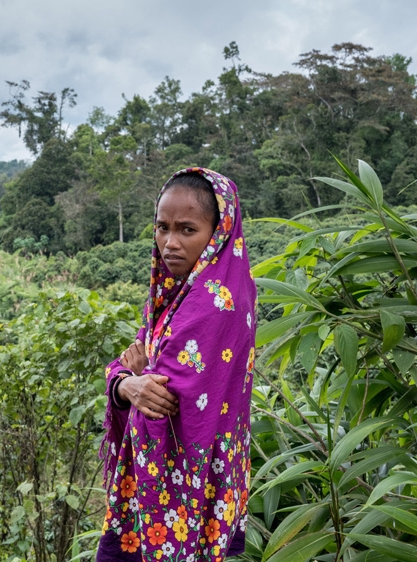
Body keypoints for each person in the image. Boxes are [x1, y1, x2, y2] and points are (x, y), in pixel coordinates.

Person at [96, 168, 256, 562]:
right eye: (162, 227)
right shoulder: (175, 295)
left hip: (177, 492)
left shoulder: (214, 302)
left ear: (218, 233)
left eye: (187, 230)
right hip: (196, 486)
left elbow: (158, 399)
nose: (169, 243)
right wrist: (127, 382)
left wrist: (130, 379)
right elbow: (133, 367)